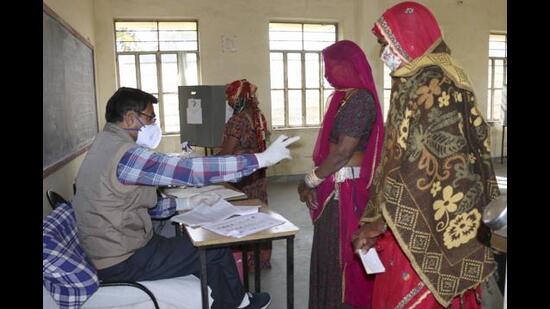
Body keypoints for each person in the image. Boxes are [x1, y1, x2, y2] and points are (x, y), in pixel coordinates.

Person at [72, 87, 299, 309]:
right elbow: (187, 169)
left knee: (197, 244)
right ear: (130, 118)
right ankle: (238, 303)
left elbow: (133, 204)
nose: (154, 125)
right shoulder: (125, 155)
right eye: (150, 119)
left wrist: (185, 203)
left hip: (118, 247)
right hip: (122, 259)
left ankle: (229, 299)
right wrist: (260, 160)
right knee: (213, 249)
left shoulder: (105, 144)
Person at [352, 2, 499, 308]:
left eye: (385, 44)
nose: (384, 54)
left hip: (430, 217)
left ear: (408, 39)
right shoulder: (427, 75)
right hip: (429, 214)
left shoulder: (429, 82)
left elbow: (422, 166)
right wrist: (380, 218)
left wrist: (380, 224)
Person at [297, 40, 385, 309]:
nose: (326, 73)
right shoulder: (344, 98)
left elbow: (341, 153)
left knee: (340, 253)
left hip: (346, 190)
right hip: (333, 184)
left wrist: (309, 180)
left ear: (347, 67)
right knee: (327, 250)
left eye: (331, 66)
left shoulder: (360, 100)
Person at [219, 79, 272, 269]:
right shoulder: (258, 116)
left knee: (241, 215)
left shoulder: (238, 120)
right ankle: (260, 258)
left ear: (240, 98)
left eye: (231, 98)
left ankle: (243, 261)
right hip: (257, 174)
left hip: (240, 176)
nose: (229, 102)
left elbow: (227, 152)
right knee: (258, 211)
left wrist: (208, 165)